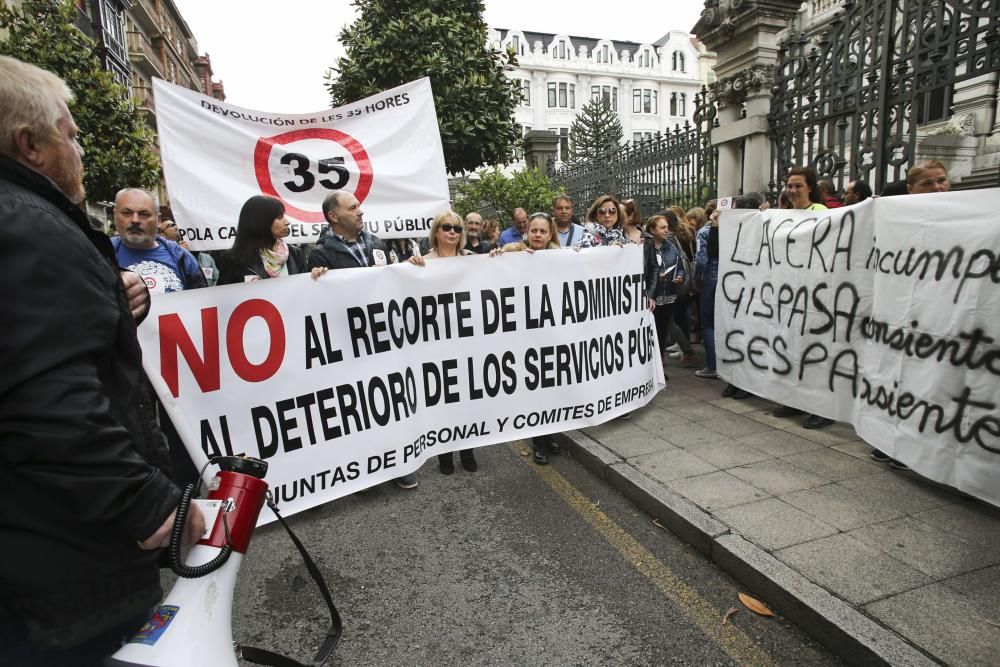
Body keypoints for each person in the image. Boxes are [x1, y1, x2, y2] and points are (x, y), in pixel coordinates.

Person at [0, 55, 203, 665]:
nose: (80, 146)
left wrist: (115, 309)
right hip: (63, 571)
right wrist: (149, 505)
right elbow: (46, 401)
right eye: (70, 132)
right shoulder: (30, 229)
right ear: (30, 144)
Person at [309, 192, 417, 489]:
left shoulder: (377, 244)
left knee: (390, 401)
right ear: (333, 216)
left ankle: (399, 463)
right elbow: (322, 300)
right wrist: (318, 277)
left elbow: (392, 281)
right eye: (353, 207)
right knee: (359, 403)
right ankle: (366, 467)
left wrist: (411, 267)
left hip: (381, 335)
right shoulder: (320, 254)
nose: (360, 211)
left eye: (359, 205)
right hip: (348, 341)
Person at [408, 211, 481, 474]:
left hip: (467, 344)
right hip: (437, 346)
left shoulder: (473, 260)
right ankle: (445, 455)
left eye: (458, 229)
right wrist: (408, 269)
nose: (453, 232)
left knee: (468, 401)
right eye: (447, 227)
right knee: (443, 401)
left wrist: (497, 257)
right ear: (436, 231)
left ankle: (468, 450)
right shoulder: (422, 263)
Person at [490, 212, 562, 464]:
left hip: (551, 335)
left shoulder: (560, 257)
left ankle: (551, 434)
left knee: (553, 390)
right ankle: (538, 444)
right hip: (525, 338)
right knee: (535, 392)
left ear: (549, 234)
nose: (538, 235)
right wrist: (498, 256)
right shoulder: (513, 252)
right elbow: (492, 271)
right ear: (526, 233)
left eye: (543, 231)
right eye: (534, 231)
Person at [774, 167, 832, 429]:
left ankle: (821, 407)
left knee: (814, 352)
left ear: (810, 187)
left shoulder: (820, 212)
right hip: (790, 293)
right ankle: (794, 399)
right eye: (790, 185)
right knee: (792, 347)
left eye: (798, 185)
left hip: (816, 293)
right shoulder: (782, 216)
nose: (793, 190)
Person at [112, 188, 208, 293]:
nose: (135, 220)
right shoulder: (100, 255)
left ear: (158, 220)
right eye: (127, 213)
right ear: (115, 216)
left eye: (144, 214)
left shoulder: (182, 258)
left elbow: (203, 301)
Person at [644, 212, 698, 372]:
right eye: (662, 228)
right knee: (650, 331)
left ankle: (659, 364)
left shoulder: (671, 245)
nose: (667, 230)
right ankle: (650, 363)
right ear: (652, 230)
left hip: (668, 295)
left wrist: (680, 276)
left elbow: (680, 267)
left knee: (662, 331)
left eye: (667, 227)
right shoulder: (645, 247)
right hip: (651, 296)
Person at [217, 195, 307, 284]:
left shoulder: (295, 254)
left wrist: (315, 276)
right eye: (279, 217)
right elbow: (224, 295)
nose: (287, 222)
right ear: (261, 222)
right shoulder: (234, 260)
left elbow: (303, 290)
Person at [157, 211, 219, 286]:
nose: (176, 226)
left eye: (175, 224)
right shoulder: (164, 258)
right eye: (171, 225)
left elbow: (216, 280)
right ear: (162, 235)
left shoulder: (206, 258)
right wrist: (180, 254)